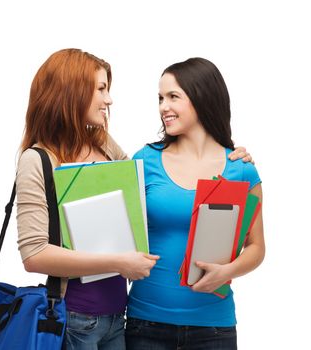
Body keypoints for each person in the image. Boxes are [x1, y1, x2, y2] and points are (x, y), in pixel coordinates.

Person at [16, 48, 254, 350]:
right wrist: (119, 262)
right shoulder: (37, 160)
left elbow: (149, 185)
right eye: (101, 89)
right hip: (74, 319)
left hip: (119, 319)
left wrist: (228, 158)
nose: (109, 99)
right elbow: (33, 254)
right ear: (72, 91)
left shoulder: (102, 143)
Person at [125, 57, 265, 350]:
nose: (164, 106)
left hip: (213, 328)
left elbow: (256, 247)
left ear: (201, 98)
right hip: (146, 324)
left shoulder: (241, 169)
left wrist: (227, 272)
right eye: (160, 98)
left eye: (173, 96)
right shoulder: (144, 160)